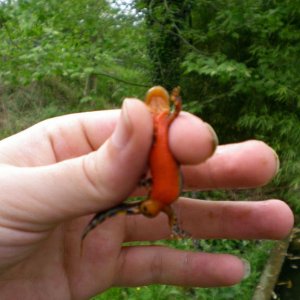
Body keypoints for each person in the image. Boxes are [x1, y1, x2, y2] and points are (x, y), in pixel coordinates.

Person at [0, 98, 293, 299]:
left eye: (144, 209)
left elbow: (159, 210)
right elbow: (155, 210)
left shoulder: (159, 197)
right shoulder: (160, 201)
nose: (146, 212)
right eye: (146, 210)